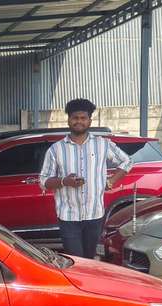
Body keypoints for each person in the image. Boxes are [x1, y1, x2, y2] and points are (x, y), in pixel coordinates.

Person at [38, 98, 132, 259]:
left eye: (83, 118)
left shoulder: (103, 144)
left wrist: (111, 181)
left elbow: (127, 161)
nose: (79, 122)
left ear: (89, 120)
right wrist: (64, 181)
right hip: (68, 217)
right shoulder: (56, 149)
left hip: (94, 215)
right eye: (75, 118)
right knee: (76, 260)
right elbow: (43, 181)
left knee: (89, 259)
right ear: (68, 120)